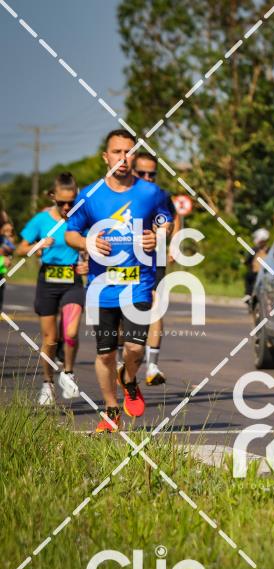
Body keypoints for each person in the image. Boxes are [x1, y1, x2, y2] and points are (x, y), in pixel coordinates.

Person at [65, 129, 171, 432]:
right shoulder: (89, 195)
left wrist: (158, 235)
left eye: (128, 152)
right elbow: (71, 233)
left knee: (135, 349)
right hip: (102, 288)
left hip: (138, 284)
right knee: (106, 353)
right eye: (117, 152)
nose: (123, 158)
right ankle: (111, 410)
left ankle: (128, 378)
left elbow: (166, 221)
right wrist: (87, 243)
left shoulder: (151, 193)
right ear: (106, 156)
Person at [17, 173, 89, 404]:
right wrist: (38, 245)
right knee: (50, 339)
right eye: (62, 202)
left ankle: (68, 374)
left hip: (72, 280)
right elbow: (20, 249)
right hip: (47, 281)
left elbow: (93, 247)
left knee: (70, 333)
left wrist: (88, 263)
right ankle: (47, 383)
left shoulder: (82, 219)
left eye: (71, 202)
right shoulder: (41, 220)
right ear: (52, 197)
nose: (67, 207)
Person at [133, 152, 180, 386]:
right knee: (123, 309)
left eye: (152, 174)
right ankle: (121, 360)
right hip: (125, 259)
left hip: (155, 258)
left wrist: (172, 242)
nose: (147, 178)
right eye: (141, 173)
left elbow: (173, 217)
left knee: (156, 307)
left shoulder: (161, 195)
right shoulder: (119, 194)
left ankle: (152, 366)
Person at [244, 228, 269, 303]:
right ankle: (250, 295)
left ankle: (248, 294)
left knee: (248, 277)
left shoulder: (255, 250)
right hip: (265, 274)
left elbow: (248, 260)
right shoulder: (270, 250)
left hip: (259, 273)